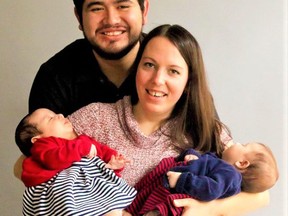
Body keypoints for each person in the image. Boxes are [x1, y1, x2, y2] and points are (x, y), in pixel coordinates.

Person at [67, 24, 271, 215]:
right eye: (149, 65)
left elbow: (261, 195)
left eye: (173, 71)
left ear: (188, 82)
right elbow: (39, 180)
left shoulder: (204, 129)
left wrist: (208, 209)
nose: (157, 80)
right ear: (136, 68)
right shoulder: (95, 118)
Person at [29, 0, 149, 116]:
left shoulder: (167, 58)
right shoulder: (54, 76)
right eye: (96, 8)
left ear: (144, 11)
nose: (111, 20)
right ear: (79, 17)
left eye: (123, 6)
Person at [15, 108, 136, 216]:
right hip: (63, 192)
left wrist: (113, 161)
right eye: (51, 119)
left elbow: (101, 151)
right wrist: (81, 147)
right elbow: (53, 159)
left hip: (88, 193)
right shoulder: (43, 146)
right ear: (37, 139)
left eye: (56, 113)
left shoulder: (82, 139)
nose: (60, 115)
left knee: (112, 203)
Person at [126, 141, 278, 215]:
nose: (236, 142)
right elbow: (203, 162)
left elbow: (211, 189)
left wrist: (182, 181)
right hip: (169, 185)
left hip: (180, 196)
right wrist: (192, 156)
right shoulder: (221, 164)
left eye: (243, 144)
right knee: (144, 200)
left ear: (242, 163)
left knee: (162, 208)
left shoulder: (230, 175)